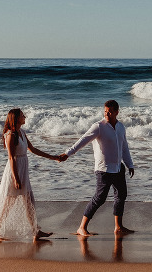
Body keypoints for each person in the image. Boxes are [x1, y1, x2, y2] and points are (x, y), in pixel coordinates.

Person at [57, 100, 135, 236]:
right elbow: (82, 140)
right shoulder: (98, 126)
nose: (107, 114)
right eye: (105, 111)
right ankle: (81, 227)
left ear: (117, 112)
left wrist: (130, 164)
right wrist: (68, 153)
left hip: (118, 168)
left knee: (121, 196)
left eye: (110, 112)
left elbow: (124, 147)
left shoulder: (121, 127)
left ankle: (118, 227)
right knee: (99, 198)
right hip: (103, 169)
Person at [0, 108, 59, 242]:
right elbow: (11, 158)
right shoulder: (10, 135)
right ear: (16, 118)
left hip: (23, 169)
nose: (25, 117)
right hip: (14, 172)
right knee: (7, 204)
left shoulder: (21, 132)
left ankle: (36, 231)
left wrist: (53, 157)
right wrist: (16, 179)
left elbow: (33, 149)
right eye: (22, 115)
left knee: (29, 203)